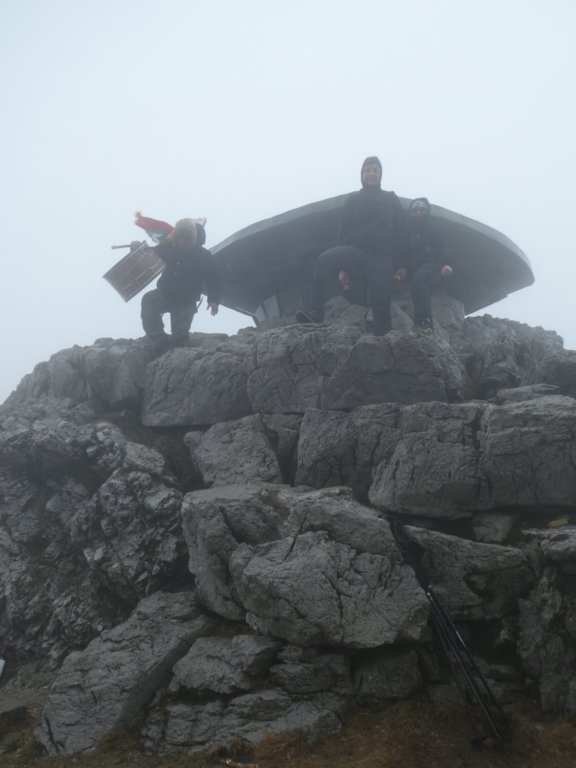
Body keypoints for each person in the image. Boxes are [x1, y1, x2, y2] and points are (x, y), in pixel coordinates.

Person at [297, 156, 407, 335]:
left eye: (375, 170)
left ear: (380, 174)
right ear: (362, 174)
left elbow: (401, 232)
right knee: (325, 259)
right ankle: (316, 312)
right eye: (367, 170)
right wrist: (343, 267)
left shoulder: (390, 198)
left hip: (382, 256)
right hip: (357, 251)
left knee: (381, 302)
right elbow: (343, 231)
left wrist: (402, 265)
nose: (371, 174)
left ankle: (383, 335)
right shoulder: (353, 199)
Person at [135, 218, 220, 350]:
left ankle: (178, 344)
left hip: (187, 302)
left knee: (179, 341)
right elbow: (148, 254)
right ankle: (159, 340)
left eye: (188, 239)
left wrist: (213, 300)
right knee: (148, 299)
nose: (185, 241)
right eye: (182, 238)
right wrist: (136, 248)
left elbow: (212, 278)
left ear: (194, 239)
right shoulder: (166, 248)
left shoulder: (203, 255)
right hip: (165, 294)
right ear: (176, 237)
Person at [406, 197, 453, 331]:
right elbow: (403, 250)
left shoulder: (433, 228)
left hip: (433, 264)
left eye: (421, 209)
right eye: (415, 210)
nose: (418, 212)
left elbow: (443, 247)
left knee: (419, 280)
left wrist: (447, 263)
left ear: (426, 211)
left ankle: (424, 321)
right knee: (416, 281)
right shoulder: (410, 231)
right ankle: (421, 323)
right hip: (415, 266)